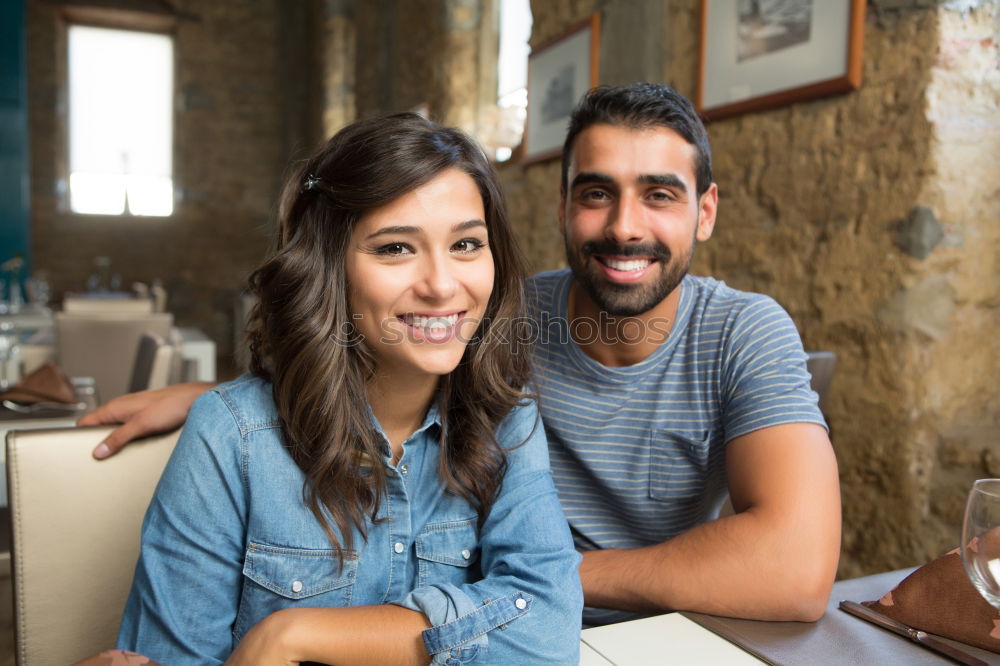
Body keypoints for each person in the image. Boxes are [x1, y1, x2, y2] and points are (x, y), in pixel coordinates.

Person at [85, 83, 840, 625]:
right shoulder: (498, 315)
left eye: (661, 195)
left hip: (573, 628)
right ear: (562, 206)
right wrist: (231, 400)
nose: (624, 227)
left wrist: (538, 582)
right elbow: (369, 342)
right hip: (471, 626)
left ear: (705, 211)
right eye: (597, 192)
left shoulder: (738, 331)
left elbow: (797, 569)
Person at [115, 113, 583, 664]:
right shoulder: (232, 437)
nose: (441, 284)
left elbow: (549, 626)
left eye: (466, 244)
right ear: (329, 268)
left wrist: (293, 634)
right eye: (394, 249)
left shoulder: (509, 420)